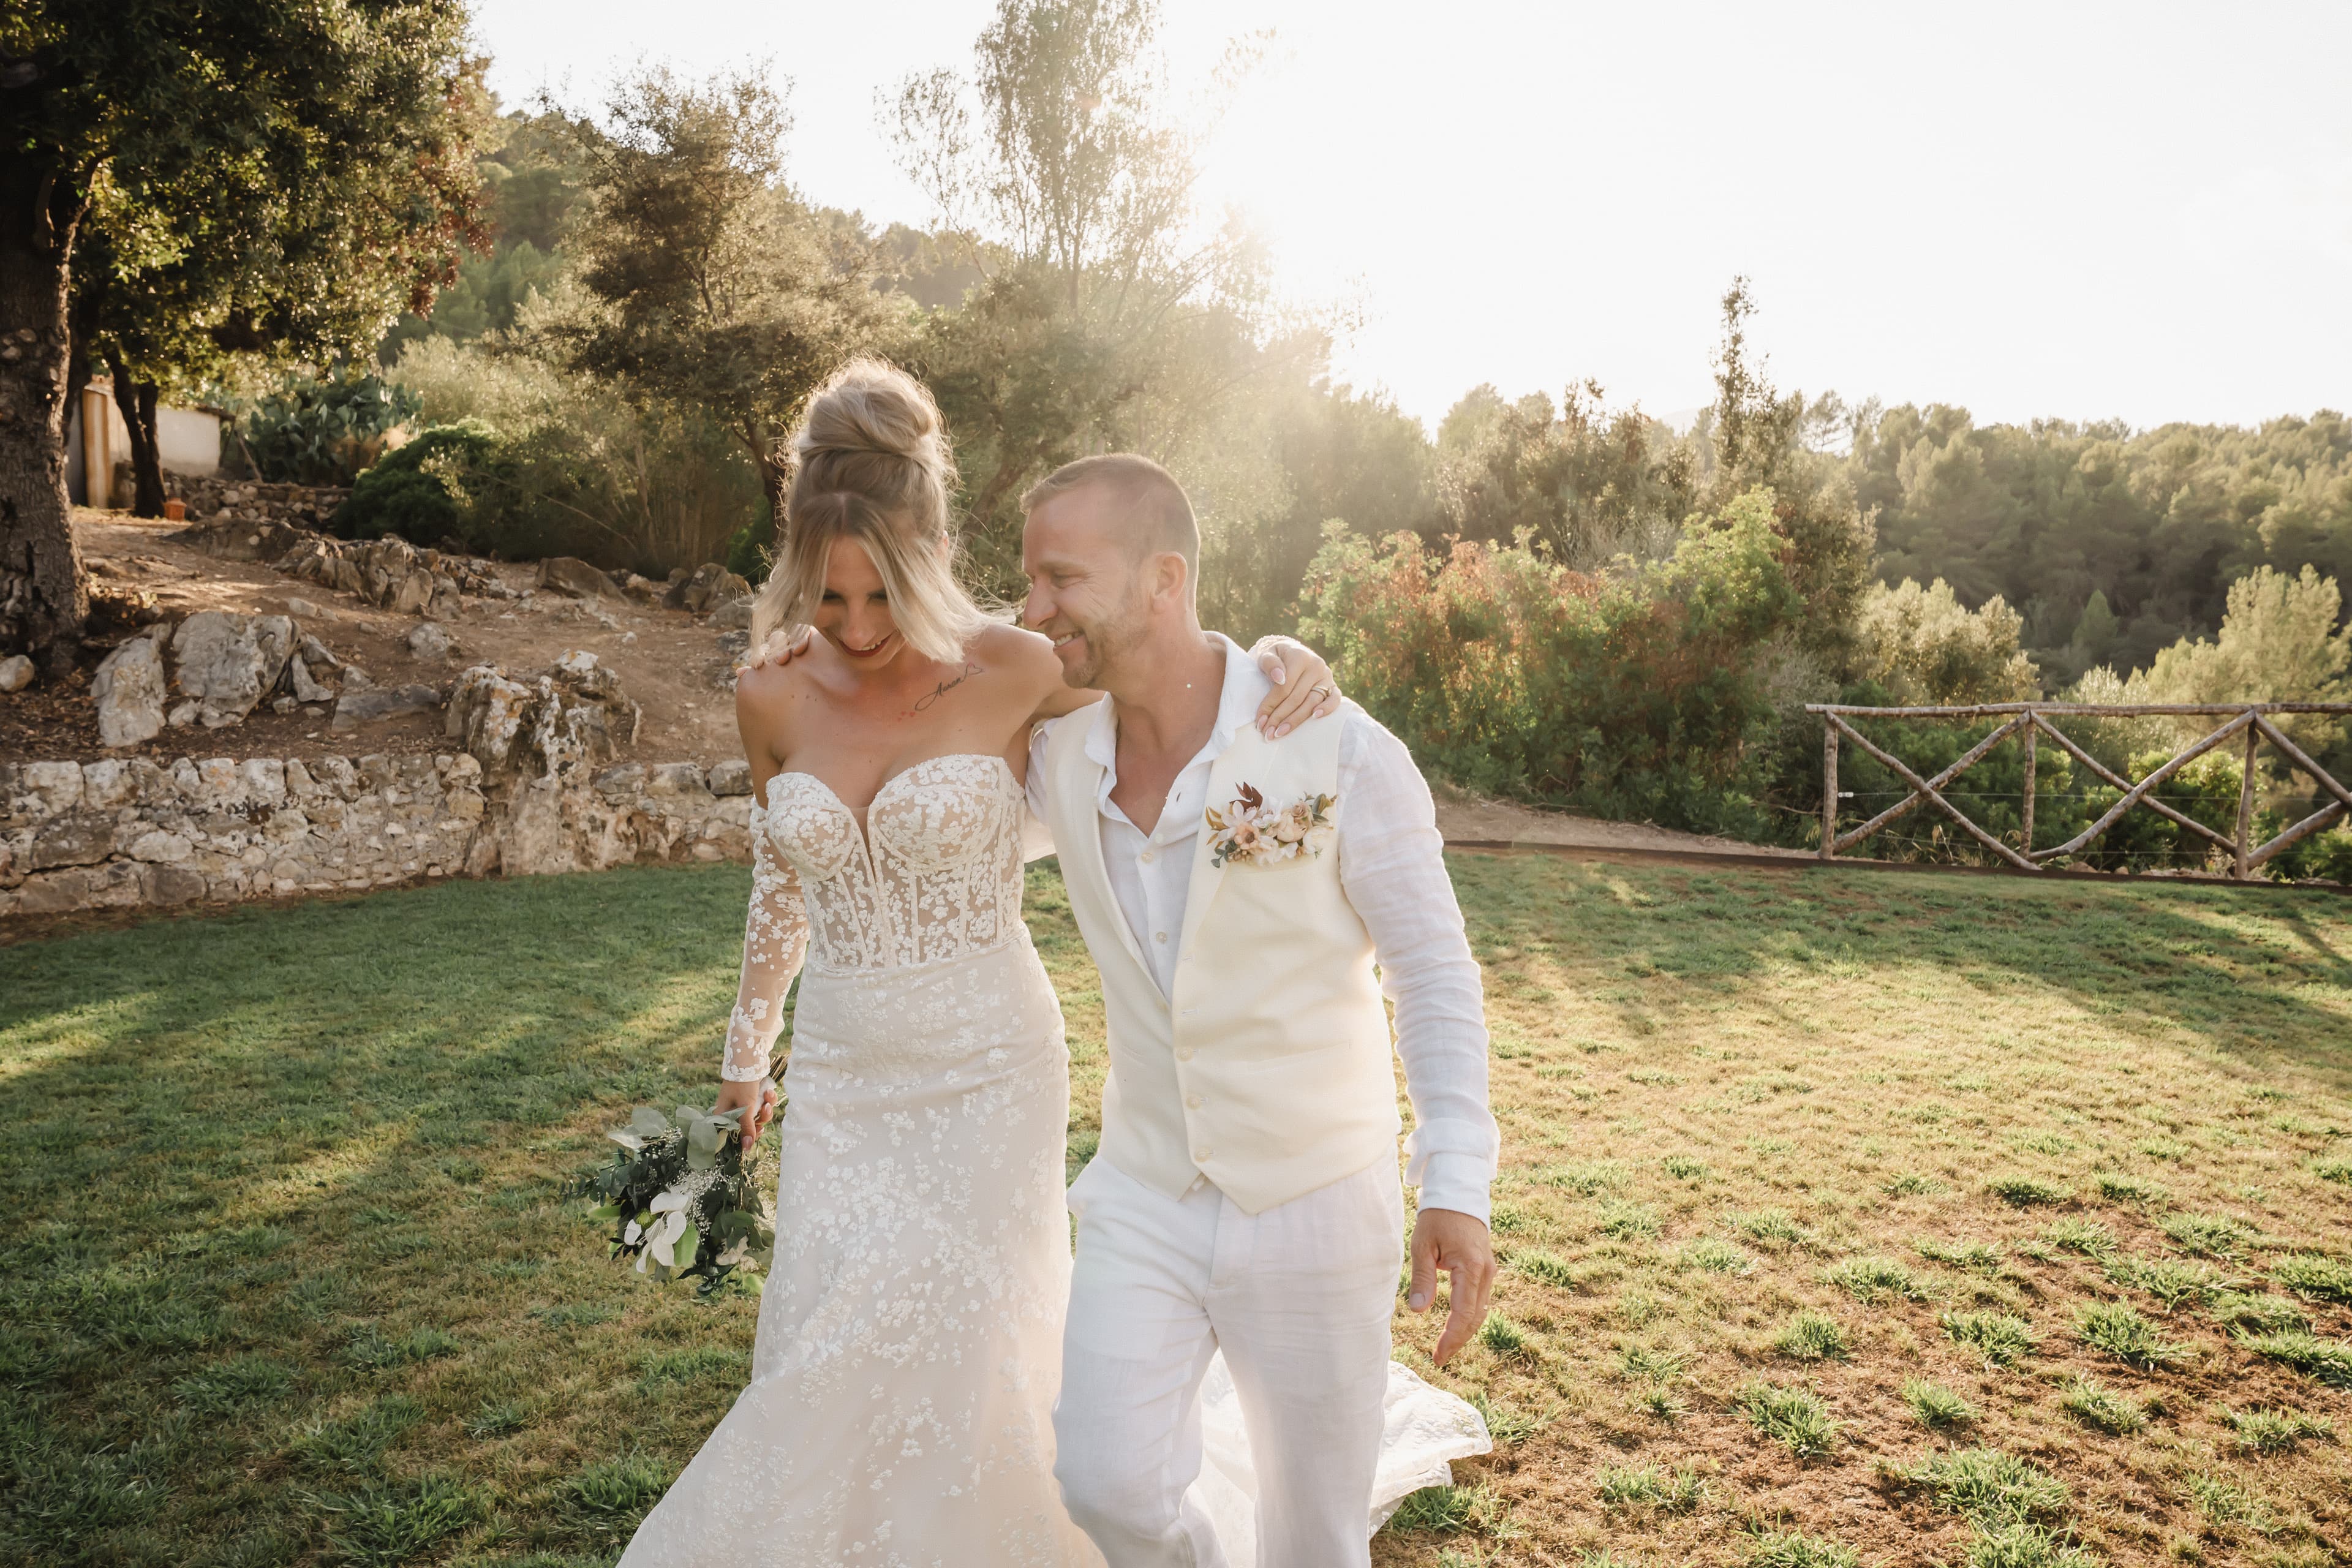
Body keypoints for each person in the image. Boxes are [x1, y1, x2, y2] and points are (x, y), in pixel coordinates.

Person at [615, 361, 1338, 1568]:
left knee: (965, 1334)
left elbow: (1172, 678)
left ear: (931, 550)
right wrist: (745, 1062)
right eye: (829, 594)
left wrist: (1271, 651)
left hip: (990, 1068)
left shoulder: (1017, 665)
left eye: (881, 594)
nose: (853, 625)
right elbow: (780, 880)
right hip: (844, 1078)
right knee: (833, 1340)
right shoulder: (768, 692)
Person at [1019, 454, 1498, 1568]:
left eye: (1060, 580)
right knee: (1108, 1483)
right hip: (1145, 1185)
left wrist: (1458, 1180)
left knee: (1313, 1534)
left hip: (1318, 1197)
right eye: (1027, 580)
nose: (1033, 610)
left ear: (1163, 582)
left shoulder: (1339, 746)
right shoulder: (1053, 752)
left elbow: (1431, 966)